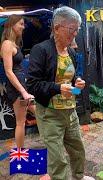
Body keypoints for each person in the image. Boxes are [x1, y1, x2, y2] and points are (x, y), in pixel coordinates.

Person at [26, 6, 94, 180]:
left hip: (70, 112)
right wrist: (58, 88)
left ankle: (79, 176)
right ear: (57, 28)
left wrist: (77, 82)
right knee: (57, 158)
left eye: (77, 29)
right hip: (50, 113)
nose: (75, 34)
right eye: (72, 29)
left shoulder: (70, 51)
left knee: (78, 149)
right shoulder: (40, 50)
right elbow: (32, 85)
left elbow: (69, 76)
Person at [0, 15, 35, 148]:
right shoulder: (7, 44)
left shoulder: (14, 43)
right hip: (17, 89)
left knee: (39, 113)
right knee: (20, 122)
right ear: (12, 25)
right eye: (21, 23)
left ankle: (52, 141)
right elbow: (9, 71)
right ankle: (20, 154)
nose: (23, 26)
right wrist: (23, 92)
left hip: (22, 87)